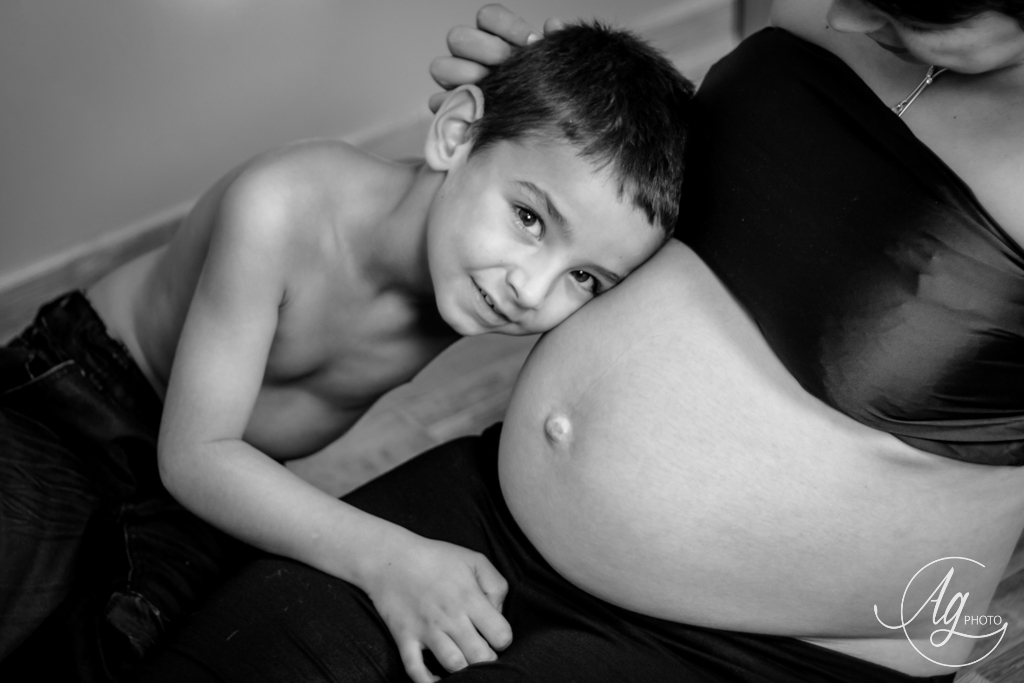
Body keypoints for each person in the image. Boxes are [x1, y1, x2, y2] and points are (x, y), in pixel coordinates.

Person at [131, 1, 1024, 682]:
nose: (845, 17)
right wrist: (555, 106)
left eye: (912, 13)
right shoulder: (823, 10)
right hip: (501, 511)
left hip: (775, 643)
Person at [0, 21, 694, 683]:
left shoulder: (484, 264)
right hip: (86, 400)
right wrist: (393, 559)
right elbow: (193, 456)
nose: (531, 289)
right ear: (456, 134)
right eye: (529, 217)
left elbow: (621, 222)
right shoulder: (282, 206)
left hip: (228, 475)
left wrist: (567, 89)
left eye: (585, 277)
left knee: (130, 646)